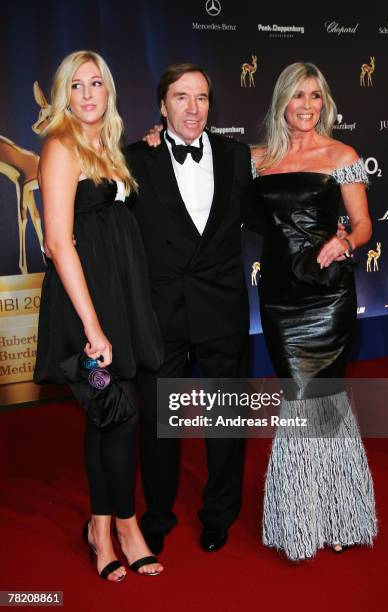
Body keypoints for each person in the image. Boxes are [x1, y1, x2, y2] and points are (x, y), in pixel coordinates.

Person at [33, 50, 164, 580]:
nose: (88, 94)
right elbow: (59, 242)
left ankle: (107, 527)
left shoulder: (105, 147)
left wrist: (152, 141)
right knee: (119, 414)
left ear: (108, 92)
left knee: (110, 419)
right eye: (77, 86)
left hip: (117, 302)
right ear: (65, 95)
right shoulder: (60, 147)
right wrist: (93, 328)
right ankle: (115, 529)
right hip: (86, 309)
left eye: (97, 84)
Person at [125, 63, 253, 555]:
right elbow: (106, 219)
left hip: (222, 308)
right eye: (181, 97)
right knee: (160, 420)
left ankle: (220, 512)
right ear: (162, 106)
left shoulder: (237, 155)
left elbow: (270, 212)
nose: (193, 108)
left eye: (201, 97)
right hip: (161, 313)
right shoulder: (135, 159)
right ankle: (157, 512)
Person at [251, 61, 377, 560]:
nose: (307, 106)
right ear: (282, 101)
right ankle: (305, 517)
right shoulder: (256, 159)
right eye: (298, 96)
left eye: (316, 96)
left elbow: (365, 224)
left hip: (326, 295)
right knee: (300, 398)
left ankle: (338, 512)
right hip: (280, 298)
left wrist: (344, 240)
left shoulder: (343, 154)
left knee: (323, 399)